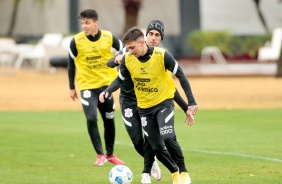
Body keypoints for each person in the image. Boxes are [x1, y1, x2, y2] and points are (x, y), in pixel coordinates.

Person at [100, 27, 198, 184]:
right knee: (157, 147)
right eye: (127, 48)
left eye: (132, 47)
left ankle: (184, 172)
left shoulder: (162, 55)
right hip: (144, 108)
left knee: (167, 136)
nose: (129, 51)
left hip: (163, 103)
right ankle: (174, 173)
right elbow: (119, 79)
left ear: (142, 42)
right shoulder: (127, 58)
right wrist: (107, 91)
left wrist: (190, 103)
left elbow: (180, 75)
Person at [67, 9, 125, 167]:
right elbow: (71, 64)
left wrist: (118, 59)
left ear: (96, 23)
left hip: (107, 87)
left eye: (87, 23)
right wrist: (72, 87)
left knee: (109, 120)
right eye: (82, 23)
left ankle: (111, 154)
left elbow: (124, 49)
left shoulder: (108, 37)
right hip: (87, 88)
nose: (84, 26)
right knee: (91, 118)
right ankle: (100, 154)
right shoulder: (76, 41)